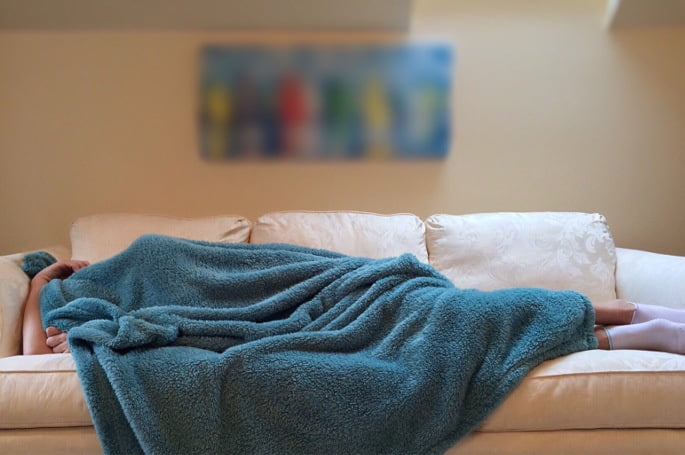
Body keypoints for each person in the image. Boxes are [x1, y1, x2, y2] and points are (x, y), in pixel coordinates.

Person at [22, 259, 685, 356]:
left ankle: (641, 317)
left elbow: (228, 274)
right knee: (467, 321)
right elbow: (20, 358)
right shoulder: (64, 311)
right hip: (326, 319)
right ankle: (644, 332)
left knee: (463, 303)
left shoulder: (132, 264)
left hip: (356, 286)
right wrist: (40, 276)